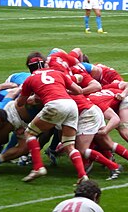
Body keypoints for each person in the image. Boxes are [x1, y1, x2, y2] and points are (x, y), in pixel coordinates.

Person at [17, 54, 88, 184]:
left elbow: (20, 103)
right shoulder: (57, 72)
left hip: (54, 105)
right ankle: (82, 175)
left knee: (30, 133)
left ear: (30, 68)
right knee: (68, 144)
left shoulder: (30, 79)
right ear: (44, 63)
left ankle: (38, 167)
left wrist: (34, 98)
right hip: (71, 105)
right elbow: (78, 90)